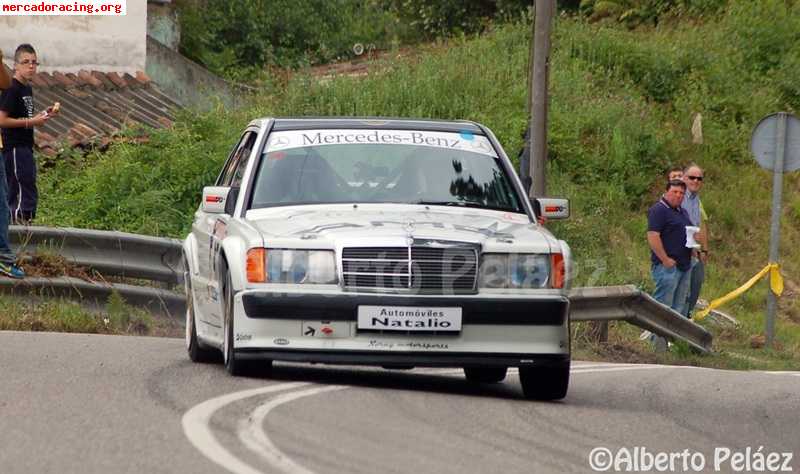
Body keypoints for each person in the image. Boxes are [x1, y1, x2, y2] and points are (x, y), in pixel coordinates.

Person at [0, 44, 57, 226]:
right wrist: (31, 122)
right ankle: (19, 226)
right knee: (22, 187)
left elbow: (24, 116)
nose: (31, 66)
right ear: (15, 65)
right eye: (26, 62)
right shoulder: (12, 88)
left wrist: (42, 115)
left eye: (34, 62)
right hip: (14, 147)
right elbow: (2, 119)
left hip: (25, 146)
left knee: (26, 184)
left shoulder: (27, 89)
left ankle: (24, 225)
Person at [647, 179, 693, 315]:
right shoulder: (658, 210)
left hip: (684, 265)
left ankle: (670, 336)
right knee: (663, 306)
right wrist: (665, 259)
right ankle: (656, 335)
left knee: (678, 308)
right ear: (666, 192)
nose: (678, 195)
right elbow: (653, 236)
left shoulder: (682, 212)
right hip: (667, 267)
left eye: (681, 193)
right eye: (675, 192)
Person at [680, 164, 708, 318]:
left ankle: (685, 323)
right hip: (682, 252)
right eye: (692, 177)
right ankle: (674, 331)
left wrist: (703, 250)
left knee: (695, 289)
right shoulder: (678, 197)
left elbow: (700, 226)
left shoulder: (696, 199)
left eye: (699, 178)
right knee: (683, 292)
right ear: (684, 178)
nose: (696, 181)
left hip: (695, 252)